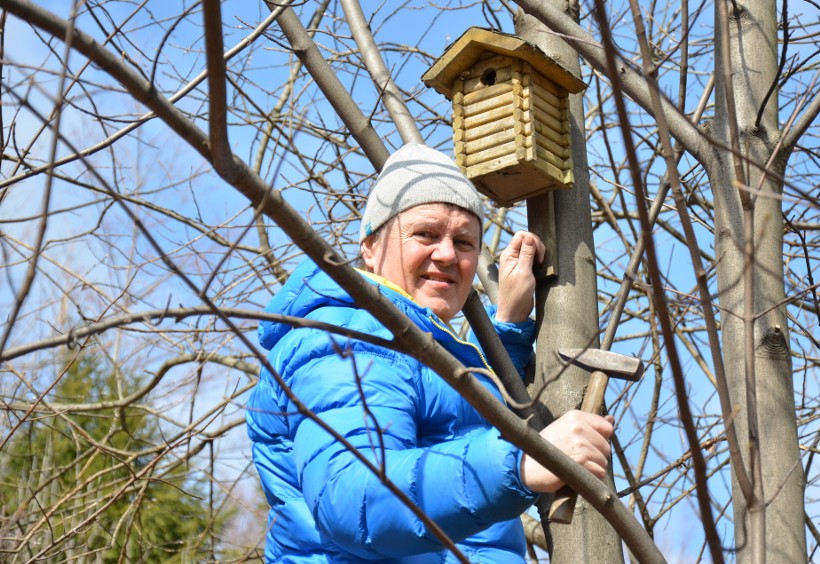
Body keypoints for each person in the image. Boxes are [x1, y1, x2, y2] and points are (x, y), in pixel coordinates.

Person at [246, 144, 614, 563]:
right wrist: (520, 464)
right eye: (426, 234)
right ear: (370, 245)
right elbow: (354, 497)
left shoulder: (406, 346)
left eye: (464, 242)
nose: (446, 255)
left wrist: (508, 326)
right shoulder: (344, 338)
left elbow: (455, 420)